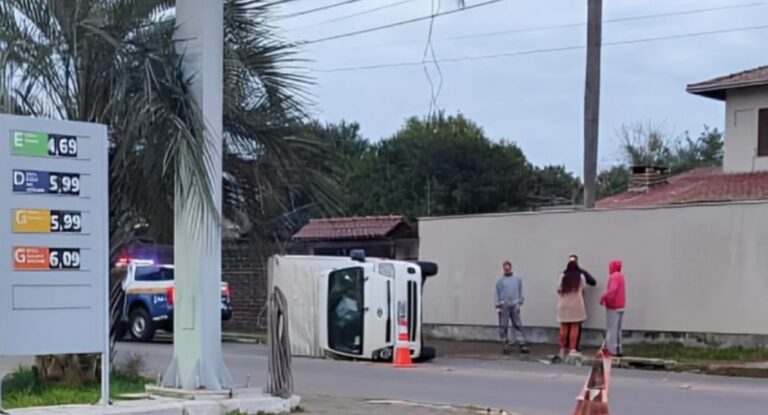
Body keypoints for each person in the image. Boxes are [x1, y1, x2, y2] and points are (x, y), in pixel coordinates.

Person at [555, 261, 588, 362]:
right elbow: (583, 288)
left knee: (563, 327)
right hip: (576, 304)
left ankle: (562, 348)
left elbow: (558, 288)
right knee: (575, 326)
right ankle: (572, 349)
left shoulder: (562, 276)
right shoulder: (580, 276)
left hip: (564, 304)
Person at [495, 261, 530, 354]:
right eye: (505, 268)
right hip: (504, 305)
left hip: (514, 304)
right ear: (503, 269)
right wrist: (498, 306)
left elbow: (520, 291)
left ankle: (522, 343)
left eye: (508, 268)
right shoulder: (500, 281)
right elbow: (497, 294)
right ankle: (505, 343)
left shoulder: (517, 280)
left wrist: (520, 303)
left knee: (517, 324)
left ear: (510, 268)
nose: (506, 270)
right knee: (503, 325)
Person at [568, 254, 596, 351]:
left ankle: (566, 345)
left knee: (566, 325)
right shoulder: (581, 273)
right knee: (576, 325)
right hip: (577, 302)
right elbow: (592, 282)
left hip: (566, 303)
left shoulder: (564, 274)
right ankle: (574, 346)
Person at [600, 259, 626, 356]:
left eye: (610, 266)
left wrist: (604, 297)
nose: (609, 268)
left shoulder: (613, 277)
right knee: (617, 328)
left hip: (613, 306)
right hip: (620, 305)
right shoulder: (621, 276)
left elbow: (612, 290)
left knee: (612, 328)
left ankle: (612, 349)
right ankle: (617, 348)